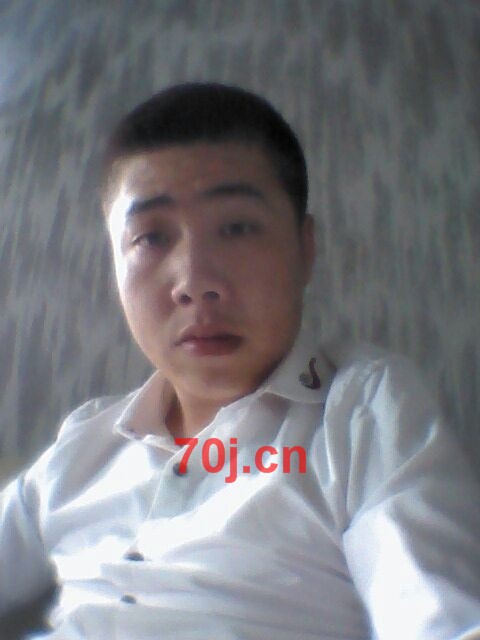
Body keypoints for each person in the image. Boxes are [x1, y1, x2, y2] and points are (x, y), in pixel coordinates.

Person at [1, 82, 479, 640]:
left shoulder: (362, 414)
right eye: (151, 237)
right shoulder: (85, 441)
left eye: (237, 228)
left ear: (305, 249)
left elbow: (440, 620)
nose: (195, 281)